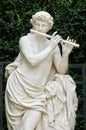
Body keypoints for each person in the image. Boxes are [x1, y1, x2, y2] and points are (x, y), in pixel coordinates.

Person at [5, 11, 78, 130]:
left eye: (43, 25)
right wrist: (50, 47)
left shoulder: (52, 46)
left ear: (49, 27)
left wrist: (65, 54)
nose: (40, 28)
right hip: (19, 88)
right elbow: (32, 61)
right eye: (37, 24)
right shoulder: (25, 40)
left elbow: (61, 70)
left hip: (38, 93)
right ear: (32, 24)